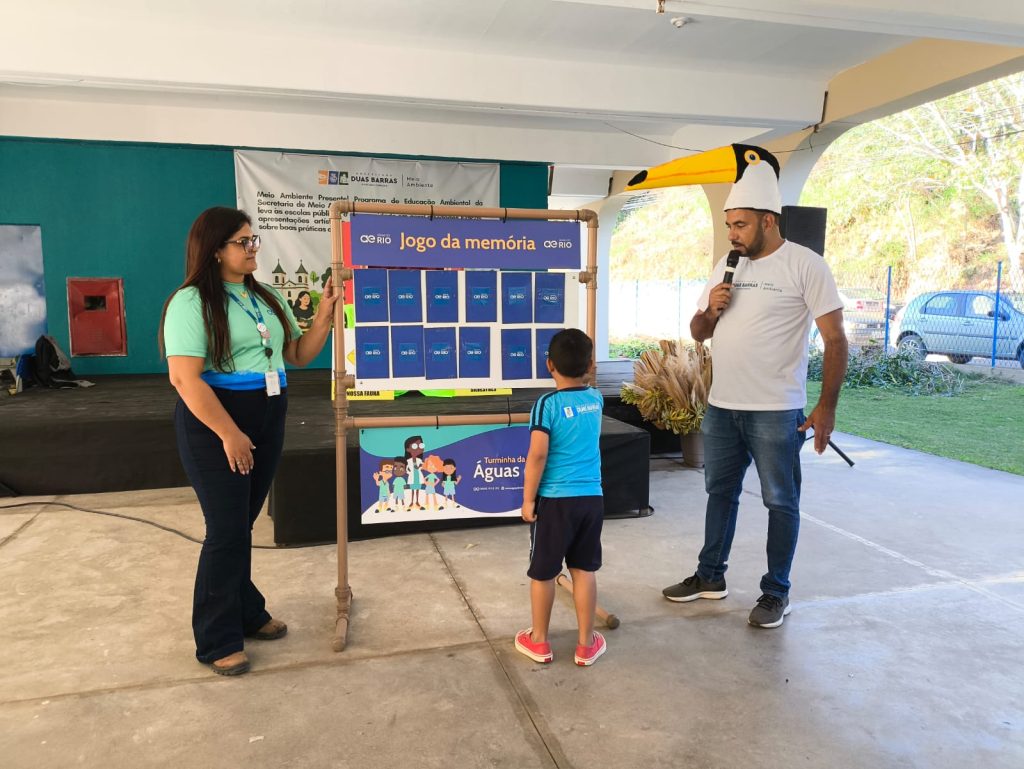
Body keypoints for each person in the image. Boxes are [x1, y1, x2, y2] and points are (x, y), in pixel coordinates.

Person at [661, 148, 848, 628]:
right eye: (729, 225)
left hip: (776, 411)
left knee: (780, 501)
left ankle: (775, 592)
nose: (732, 234)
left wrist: (826, 409)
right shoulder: (728, 265)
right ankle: (710, 576)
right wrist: (711, 310)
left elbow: (835, 340)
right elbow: (698, 332)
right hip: (723, 407)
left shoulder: (806, 265)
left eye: (740, 225)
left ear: (768, 220)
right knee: (719, 493)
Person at [159, 206, 338, 675]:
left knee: (242, 523)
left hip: (268, 414)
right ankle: (216, 639)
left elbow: (296, 354)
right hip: (216, 422)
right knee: (226, 530)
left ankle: (246, 611)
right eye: (243, 241)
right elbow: (184, 378)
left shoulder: (266, 295)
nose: (252, 247)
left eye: (253, 239)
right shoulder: (190, 302)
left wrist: (324, 315)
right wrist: (229, 433)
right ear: (216, 249)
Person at [516, 328, 606, 666]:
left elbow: (538, 455)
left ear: (549, 365)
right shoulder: (596, 399)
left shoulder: (546, 405)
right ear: (590, 365)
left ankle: (539, 641)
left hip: (555, 502)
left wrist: (528, 500)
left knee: (543, 572)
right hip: (591, 499)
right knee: (583, 569)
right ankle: (586, 644)